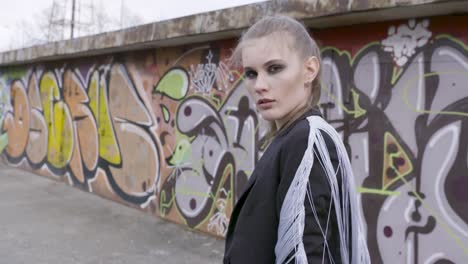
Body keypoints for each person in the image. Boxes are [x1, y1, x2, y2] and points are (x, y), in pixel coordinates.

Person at [223, 15, 370, 264]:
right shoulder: (291, 137)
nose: (259, 85)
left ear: (309, 70)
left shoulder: (307, 139)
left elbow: (308, 252)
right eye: (250, 73)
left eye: (274, 68)